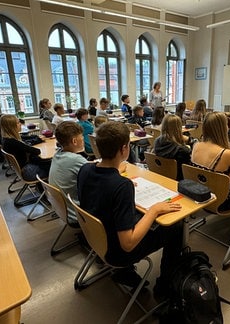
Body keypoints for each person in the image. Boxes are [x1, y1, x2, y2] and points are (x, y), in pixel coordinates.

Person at [77, 121, 184, 295]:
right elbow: (128, 244)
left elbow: (102, 182)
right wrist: (154, 210)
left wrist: (116, 173)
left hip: (96, 239)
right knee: (176, 228)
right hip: (118, 252)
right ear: (124, 149)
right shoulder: (122, 186)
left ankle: (127, 273)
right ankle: (165, 286)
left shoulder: (85, 169)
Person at [48, 121, 87, 221]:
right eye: (82, 137)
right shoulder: (75, 159)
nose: (83, 139)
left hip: (63, 210)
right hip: (77, 215)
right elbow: (100, 176)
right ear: (74, 141)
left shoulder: (57, 154)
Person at [1, 114, 50, 181]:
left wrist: (33, 141)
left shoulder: (6, 139)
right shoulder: (13, 142)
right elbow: (37, 151)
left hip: (23, 169)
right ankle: (46, 187)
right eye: (18, 123)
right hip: (28, 171)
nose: (20, 124)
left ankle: (41, 188)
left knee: (45, 161)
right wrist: (31, 143)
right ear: (11, 126)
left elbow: (26, 140)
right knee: (54, 167)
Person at [154, 114, 193, 180]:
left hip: (162, 176)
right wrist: (190, 140)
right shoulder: (183, 151)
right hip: (179, 180)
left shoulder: (157, 142)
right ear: (179, 128)